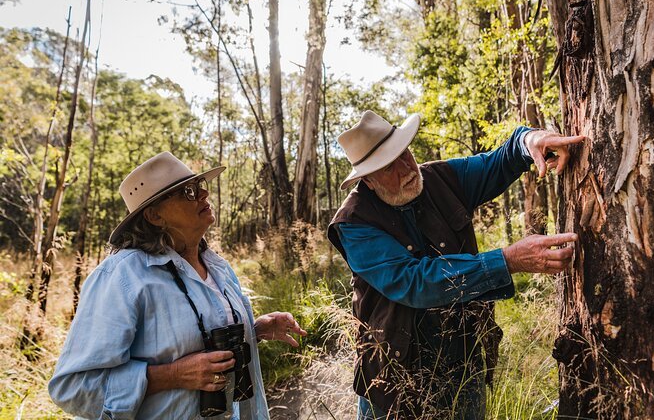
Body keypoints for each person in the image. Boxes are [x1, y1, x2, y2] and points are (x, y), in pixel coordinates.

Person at [327, 111, 585, 419]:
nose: (406, 167)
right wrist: (508, 260)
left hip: (465, 364)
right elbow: (415, 282)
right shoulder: (353, 222)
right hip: (395, 380)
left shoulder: (440, 179)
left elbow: (499, 161)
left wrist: (529, 140)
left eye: (403, 153)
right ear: (367, 180)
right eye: (388, 166)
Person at [49, 152, 307, 420]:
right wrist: (171, 376)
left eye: (200, 187)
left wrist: (255, 331)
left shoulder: (218, 266)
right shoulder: (123, 277)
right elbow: (72, 389)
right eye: (188, 192)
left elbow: (202, 342)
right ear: (154, 216)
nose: (204, 195)